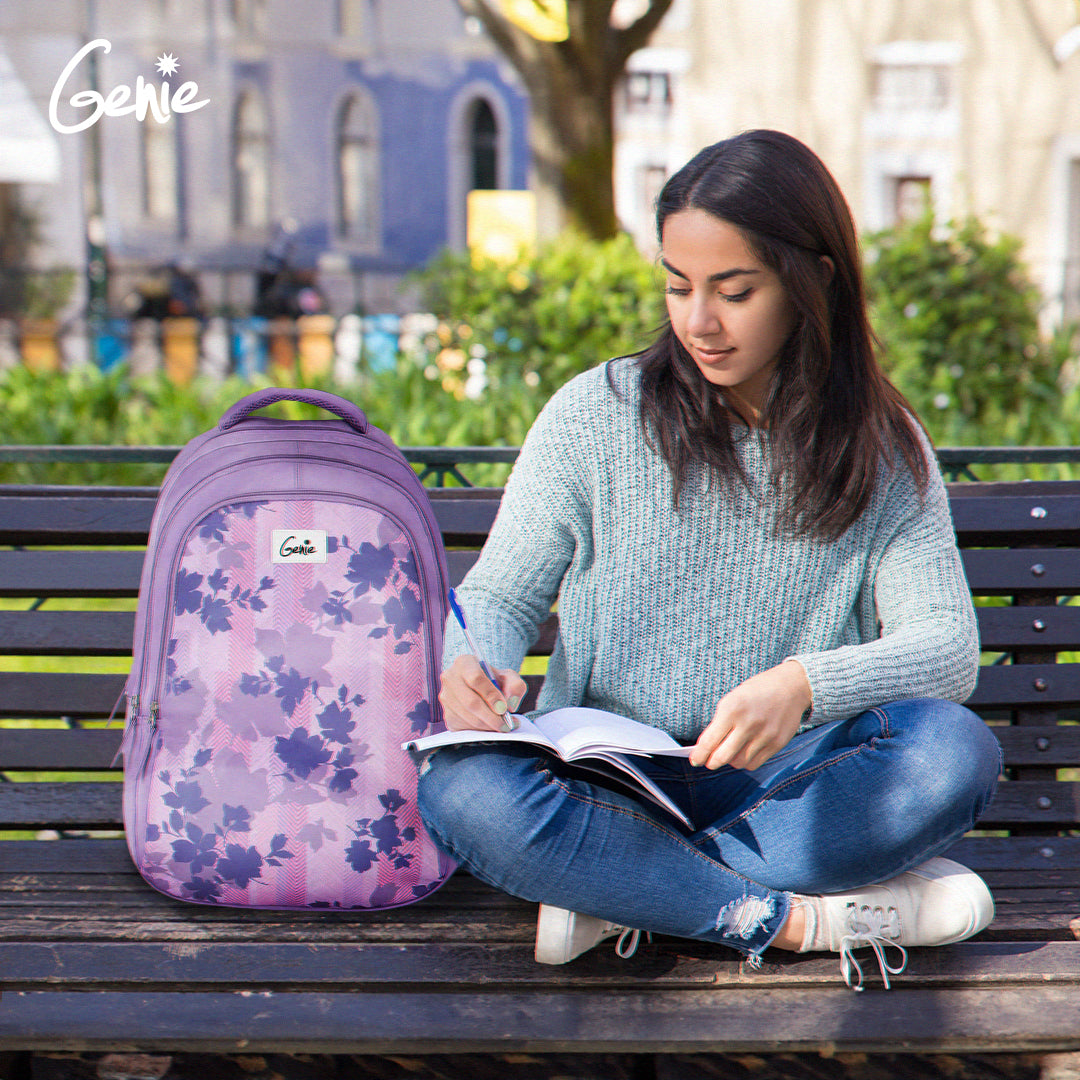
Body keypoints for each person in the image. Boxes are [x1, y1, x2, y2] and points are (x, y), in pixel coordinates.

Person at [416, 129, 1002, 991]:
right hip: (608, 785)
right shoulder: (597, 414)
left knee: (953, 752)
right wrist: (477, 665)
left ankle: (619, 887)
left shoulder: (878, 447)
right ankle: (789, 921)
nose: (699, 321)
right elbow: (501, 594)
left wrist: (803, 684)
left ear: (814, 281)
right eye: (678, 285)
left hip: (787, 789)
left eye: (734, 291)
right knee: (461, 788)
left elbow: (948, 648)